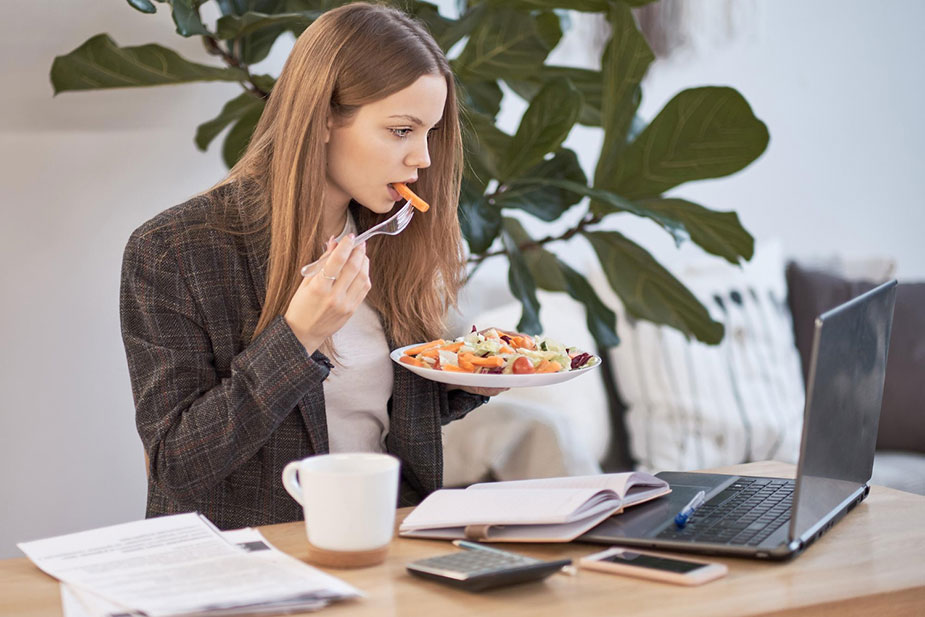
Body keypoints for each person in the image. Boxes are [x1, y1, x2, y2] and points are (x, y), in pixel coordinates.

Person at [119, 2, 504, 530]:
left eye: (429, 133)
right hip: (248, 565)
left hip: (382, 541)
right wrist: (298, 335)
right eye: (399, 131)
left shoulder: (391, 238)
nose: (423, 158)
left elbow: (373, 412)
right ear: (324, 117)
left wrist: (470, 378)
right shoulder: (174, 251)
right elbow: (178, 465)